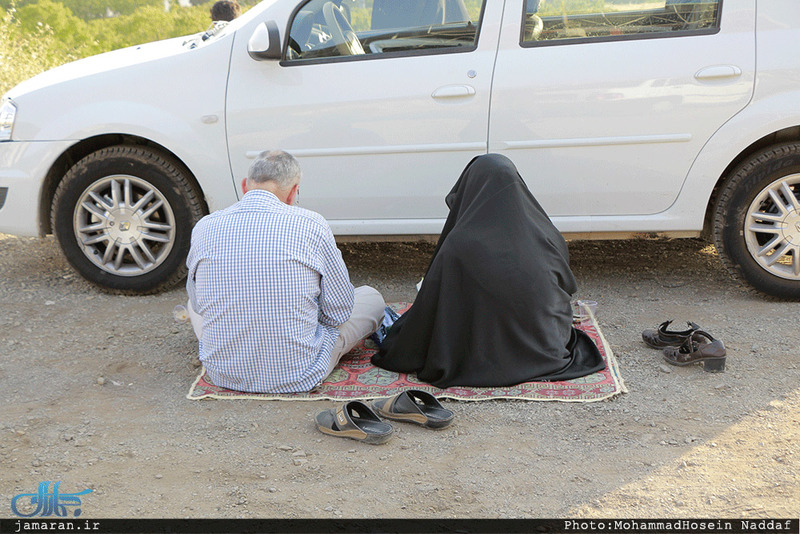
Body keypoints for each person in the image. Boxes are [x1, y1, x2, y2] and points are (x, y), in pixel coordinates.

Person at [371, 153, 605, 388]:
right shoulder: (547, 235)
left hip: (479, 359)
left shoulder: (459, 246)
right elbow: (564, 290)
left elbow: (430, 314)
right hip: (547, 348)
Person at [186, 150, 385, 393]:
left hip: (224, 374)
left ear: (244, 186)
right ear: (293, 192)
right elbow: (338, 313)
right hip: (299, 373)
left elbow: (198, 304)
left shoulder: (205, 226)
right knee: (372, 298)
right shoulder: (312, 224)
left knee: (192, 301)